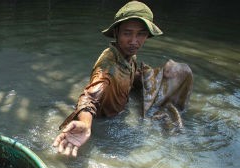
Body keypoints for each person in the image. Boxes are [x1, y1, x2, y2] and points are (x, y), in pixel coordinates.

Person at [52, 1, 163, 157]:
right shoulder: (107, 67)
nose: (134, 41)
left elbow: (130, 76)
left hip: (119, 114)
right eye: (127, 33)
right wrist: (85, 124)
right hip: (103, 123)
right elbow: (89, 97)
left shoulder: (128, 56)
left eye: (141, 34)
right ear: (116, 33)